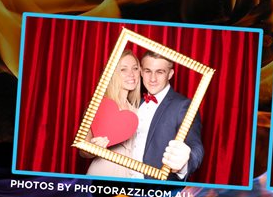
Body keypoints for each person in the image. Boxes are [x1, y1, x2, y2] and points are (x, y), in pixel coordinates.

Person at [132, 51, 204, 180]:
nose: (152, 79)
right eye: (148, 71)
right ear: (141, 72)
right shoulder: (134, 102)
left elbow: (195, 147)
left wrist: (183, 164)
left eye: (160, 72)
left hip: (157, 189)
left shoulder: (184, 106)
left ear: (170, 74)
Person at [84, 49, 141, 177]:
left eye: (135, 68)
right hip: (102, 173)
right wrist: (93, 148)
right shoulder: (99, 106)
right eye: (123, 69)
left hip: (132, 177)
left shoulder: (139, 111)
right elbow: (83, 151)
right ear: (113, 73)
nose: (131, 74)